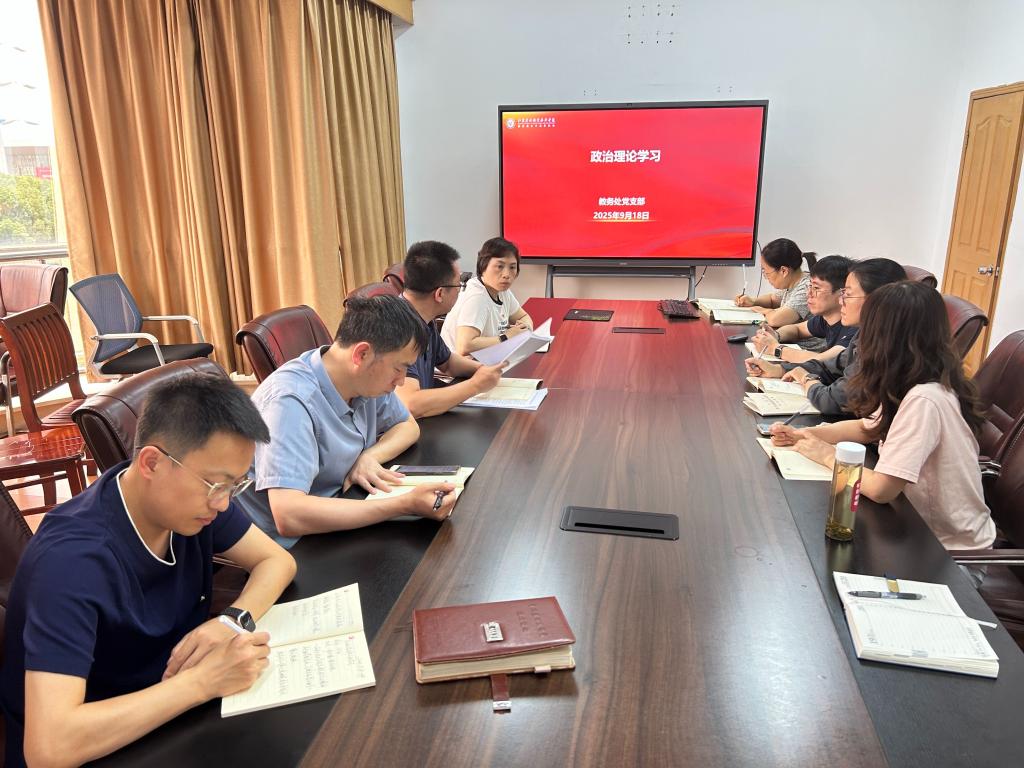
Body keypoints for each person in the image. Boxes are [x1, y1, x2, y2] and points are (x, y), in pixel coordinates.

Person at [0, 374, 297, 768]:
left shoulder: (192, 504)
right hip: (99, 746)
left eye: (234, 485)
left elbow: (277, 561)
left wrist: (232, 620)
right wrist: (202, 682)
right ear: (152, 463)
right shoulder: (71, 562)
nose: (225, 504)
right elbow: (49, 748)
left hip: (165, 714)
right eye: (217, 485)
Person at [770, 281, 995, 578]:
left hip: (949, 557)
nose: (860, 341)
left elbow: (881, 490)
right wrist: (809, 435)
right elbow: (866, 428)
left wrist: (824, 453)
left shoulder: (925, 399)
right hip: (911, 531)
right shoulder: (908, 381)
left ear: (887, 338)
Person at [234, 294, 457, 548]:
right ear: (362, 354)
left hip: (346, 506)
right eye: (399, 368)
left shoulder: (363, 378)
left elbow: (407, 426)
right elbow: (289, 515)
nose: (402, 380)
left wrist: (369, 457)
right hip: (299, 546)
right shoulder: (289, 402)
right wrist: (404, 505)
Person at [745, 258, 907, 414]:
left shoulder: (885, 350)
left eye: (847, 294)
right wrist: (779, 369)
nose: (841, 301)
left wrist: (805, 378)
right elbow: (829, 367)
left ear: (877, 301)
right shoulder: (863, 335)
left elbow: (831, 400)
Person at [396, 241, 506, 417]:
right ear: (439, 294)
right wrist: (475, 385)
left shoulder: (423, 316)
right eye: (459, 286)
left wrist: (483, 369)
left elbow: (447, 363)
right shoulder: (399, 328)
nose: (460, 291)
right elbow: (410, 404)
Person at [750, 255, 855, 364]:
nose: (809, 294)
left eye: (816, 288)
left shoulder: (855, 328)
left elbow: (823, 360)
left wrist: (775, 348)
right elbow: (797, 329)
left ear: (842, 293)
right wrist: (776, 335)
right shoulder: (825, 319)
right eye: (810, 286)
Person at [440, 237, 534, 355]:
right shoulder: (477, 297)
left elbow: (523, 316)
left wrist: (525, 329)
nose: (506, 274)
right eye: (499, 266)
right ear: (483, 266)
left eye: (512, 267)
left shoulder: (502, 290)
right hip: (458, 364)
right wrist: (506, 337)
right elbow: (464, 346)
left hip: (488, 357)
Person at [733, 238, 816, 327]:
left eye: (766, 272)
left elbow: (775, 320)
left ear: (784, 271)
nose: (766, 277)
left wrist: (763, 310)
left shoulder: (807, 288)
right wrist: (753, 301)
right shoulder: (792, 282)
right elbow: (772, 299)